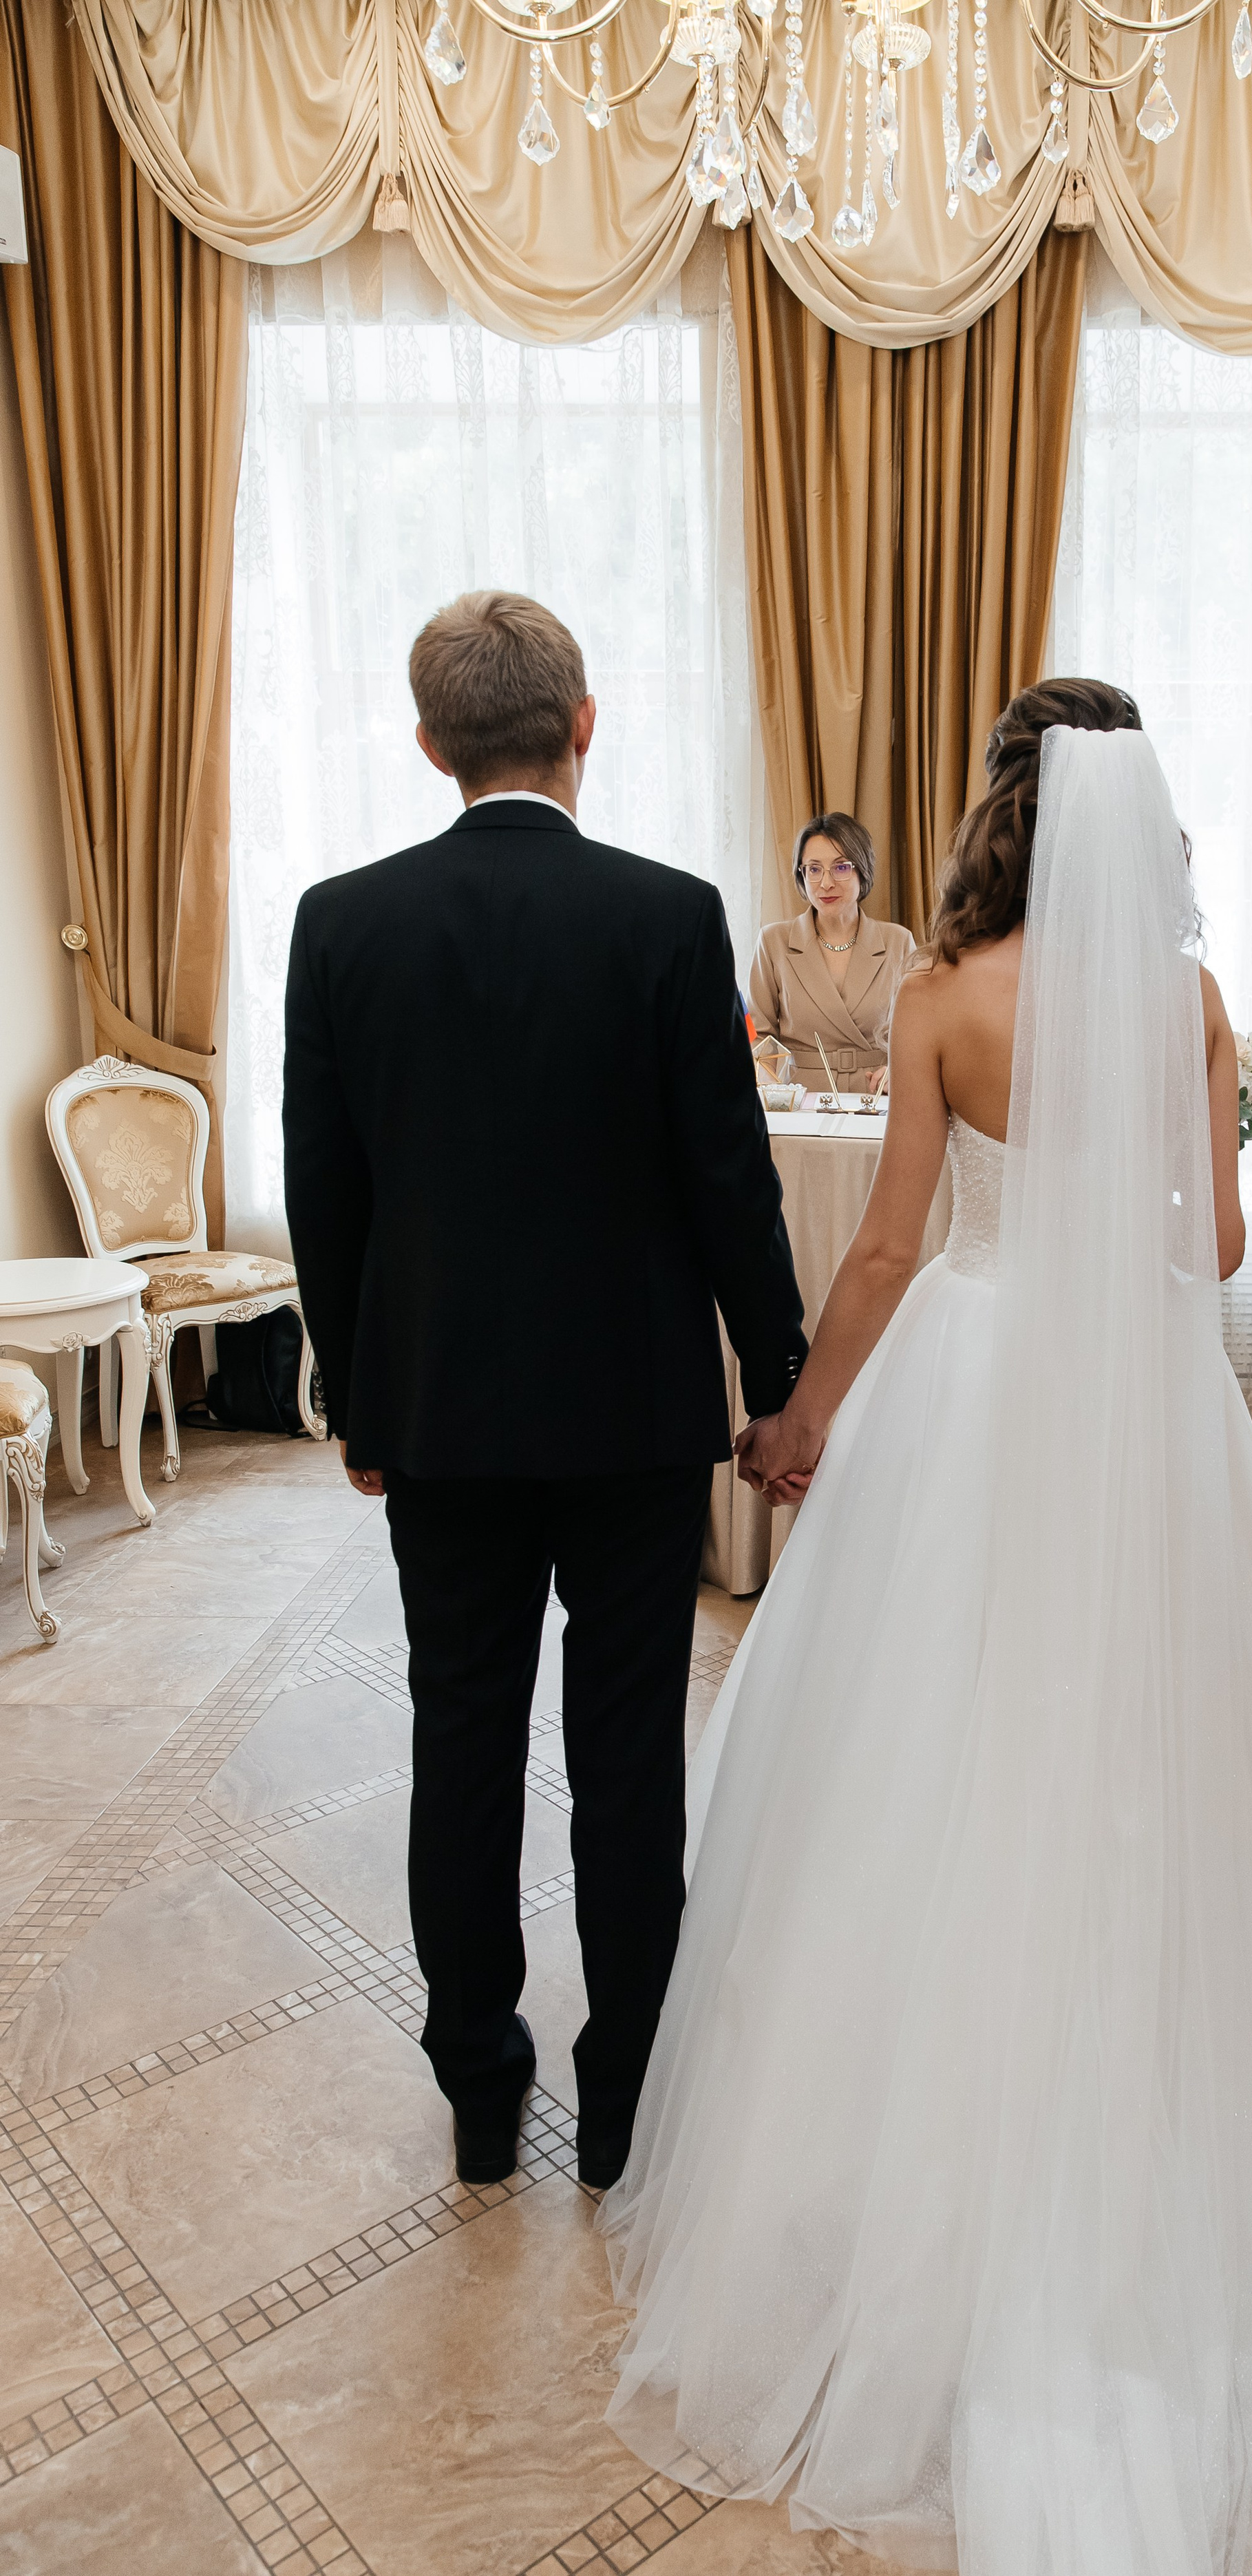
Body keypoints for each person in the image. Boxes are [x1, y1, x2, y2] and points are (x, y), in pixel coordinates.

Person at [597, 682, 1252, 2573]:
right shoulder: (1187, 1001)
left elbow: (883, 1250)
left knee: (928, 1741)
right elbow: (1220, 1256)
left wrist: (800, 1418)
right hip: (1138, 1395)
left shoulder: (948, 998)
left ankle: (900, 2159)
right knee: (1168, 1748)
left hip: (975, 1367)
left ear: (998, 817)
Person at [282, 590, 807, 2191]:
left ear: (430, 743)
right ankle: (627, 2098)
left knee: (461, 1739)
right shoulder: (667, 914)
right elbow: (728, 1178)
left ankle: (482, 2087)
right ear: (586, 724)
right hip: (635, 1415)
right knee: (629, 1758)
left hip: (439, 1414)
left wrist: (362, 1402)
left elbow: (327, 1191)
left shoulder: (340, 919)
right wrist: (776, 1380)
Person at [747, 812, 915, 1093]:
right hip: (800, 1099)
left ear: (862, 870)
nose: (825, 883)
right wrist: (777, 1089)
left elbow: (918, 1032)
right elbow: (755, 1032)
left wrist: (898, 1070)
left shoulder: (898, 942)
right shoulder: (772, 941)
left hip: (876, 1097)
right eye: (813, 869)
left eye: (840, 868)